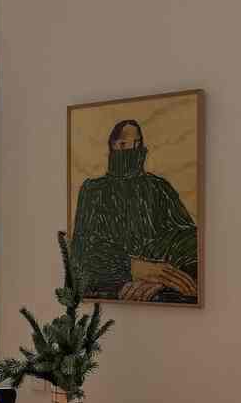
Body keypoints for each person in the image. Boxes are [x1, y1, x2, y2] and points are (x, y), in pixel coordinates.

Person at [71, 119, 198, 302]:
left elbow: (190, 240)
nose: (131, 150)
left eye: (137, 144)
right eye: (123, 144)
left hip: (163, 294)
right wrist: (132, 268)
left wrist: (163, 278)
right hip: (109, 296)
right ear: (112, 146)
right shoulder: (94, 190)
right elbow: (82, 254)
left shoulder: (159, 188)